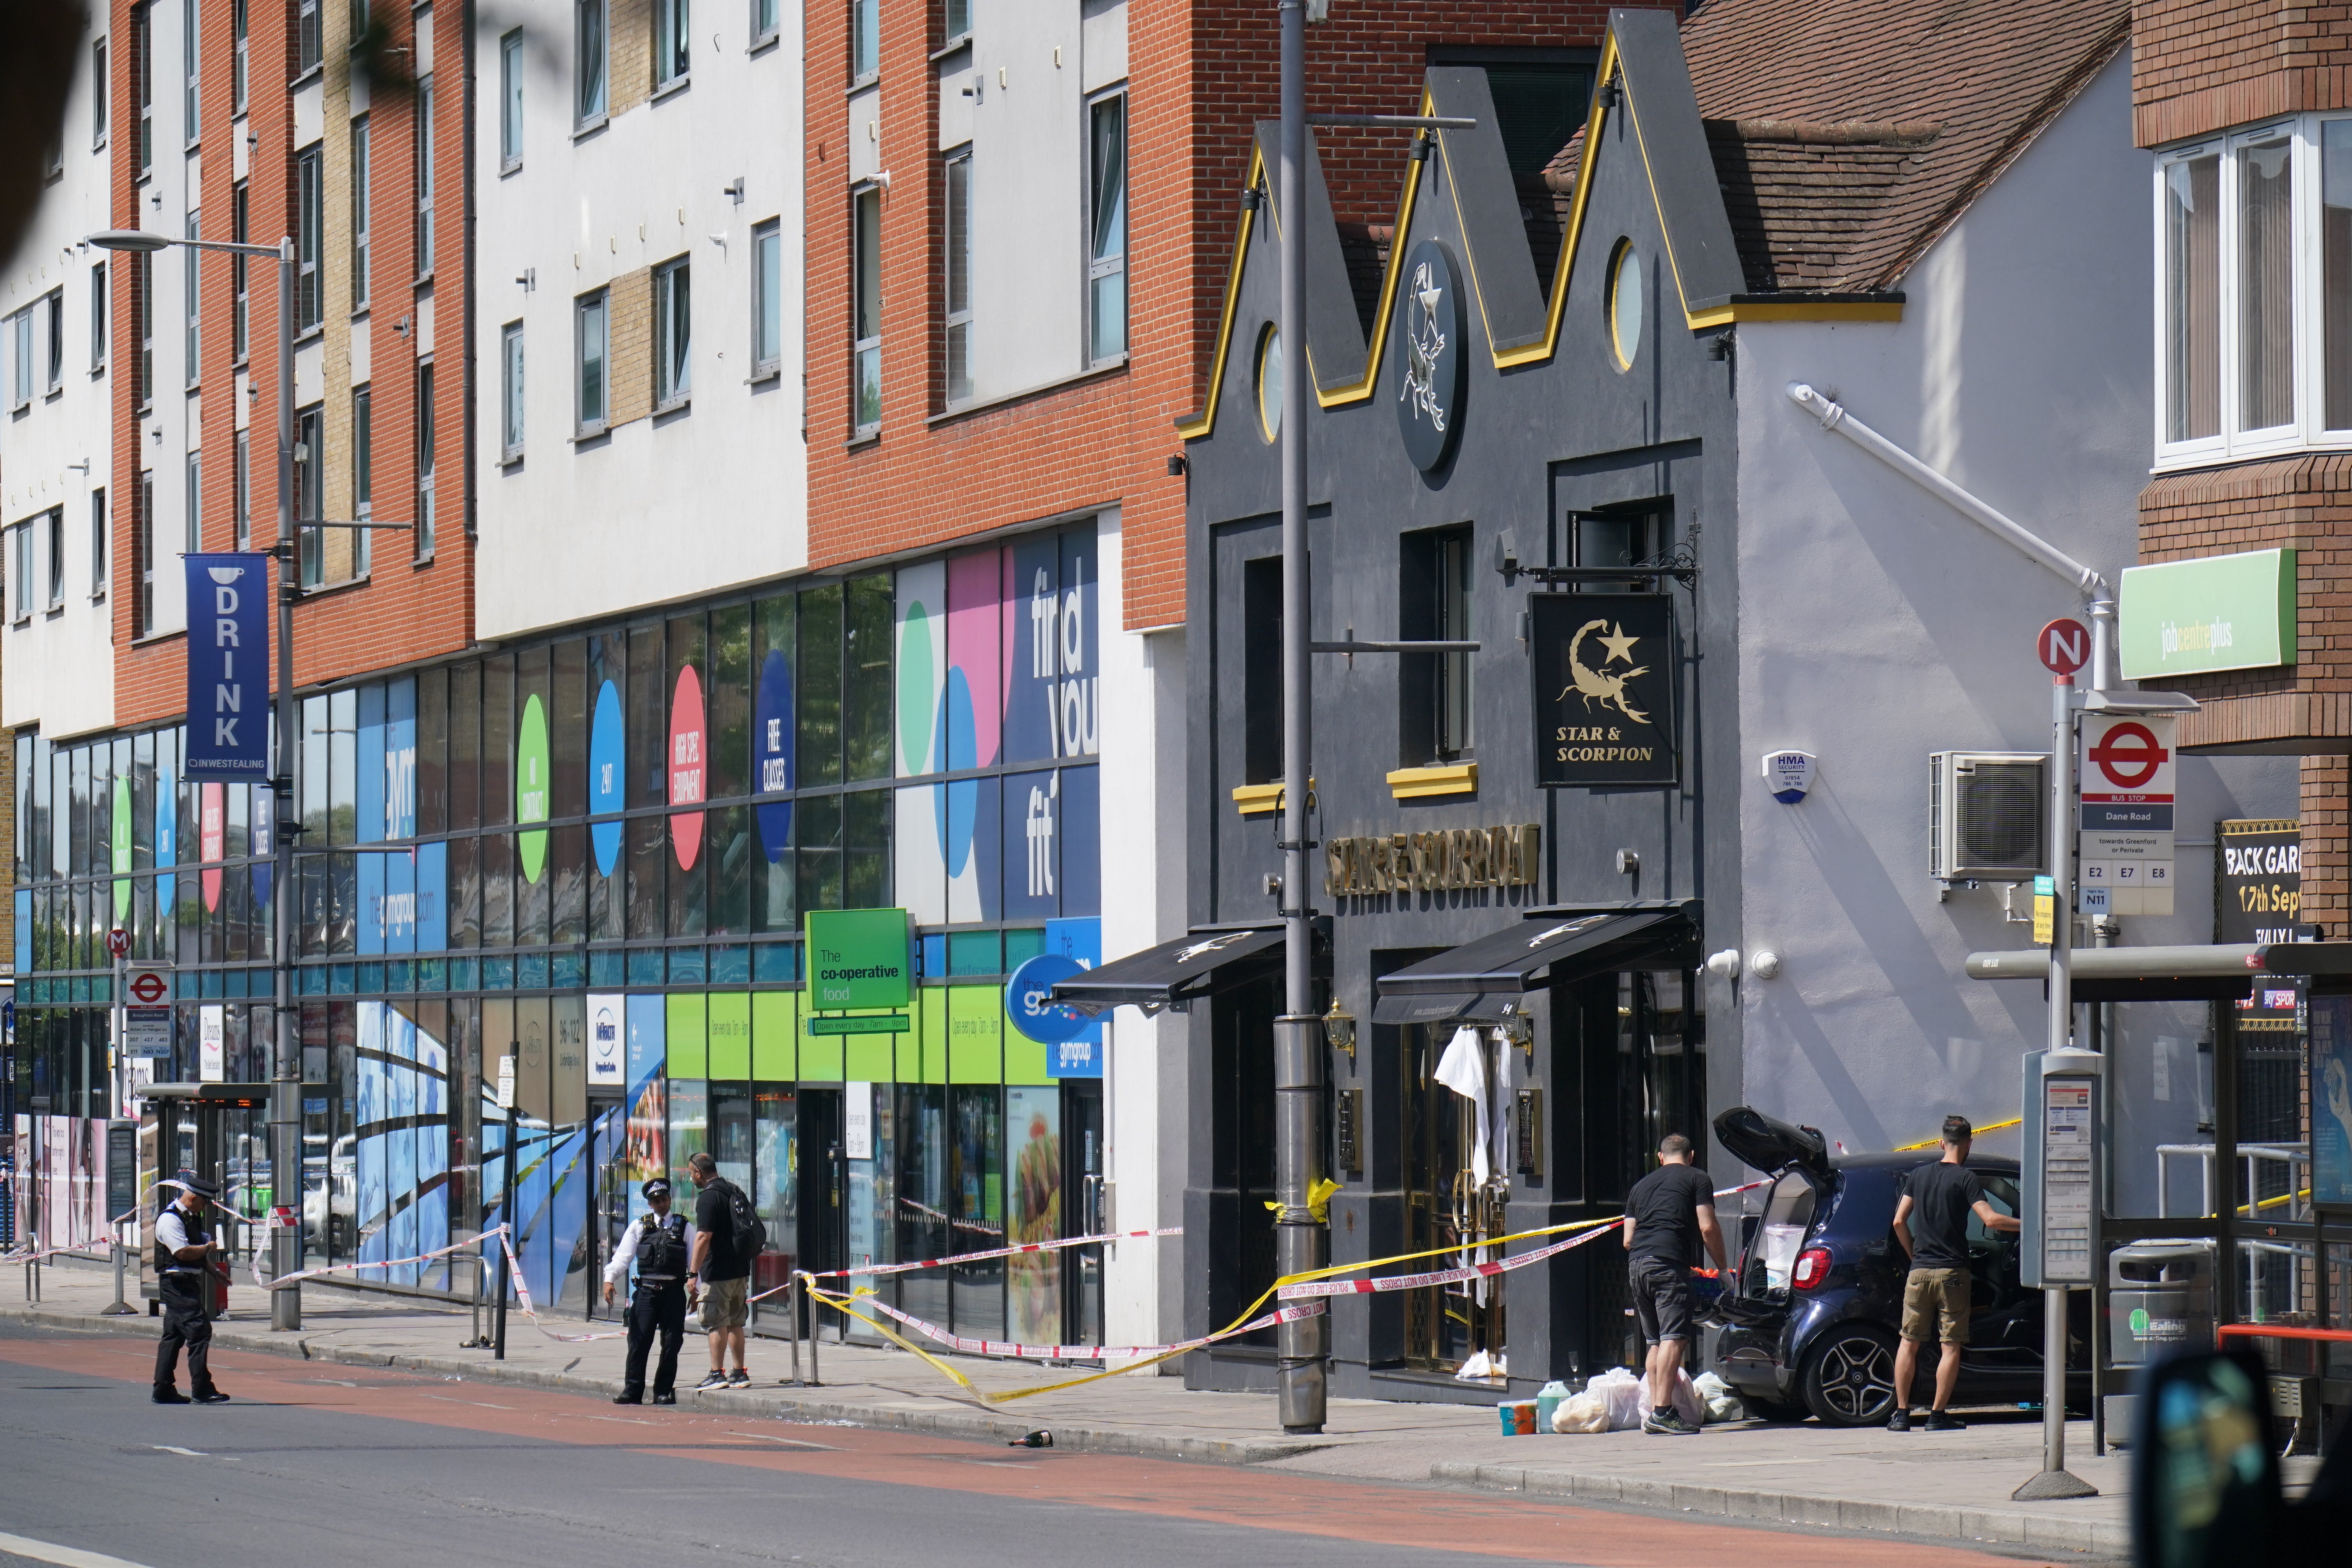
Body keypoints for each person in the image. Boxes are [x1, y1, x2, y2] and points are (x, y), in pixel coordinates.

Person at [1889, 1114, 2022, 1432]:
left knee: (1909, 1342)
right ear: (1969, 1144)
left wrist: (1914, 1256)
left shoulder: (1918, 1176)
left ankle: (1902, 1415)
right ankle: (1937, 1416)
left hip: (1920, 1271)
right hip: (1952, 1273)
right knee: (1950, 1345)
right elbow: (1990, 1220)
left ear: (1940, 1143)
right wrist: (2031, 1226)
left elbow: (1898, 1222)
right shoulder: (1966, 1178)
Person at [1620, 1133, 1729, 1436]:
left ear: (1660, 1157)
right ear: (1691, 1155)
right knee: (1675, 1338)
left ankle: (1656, 1412)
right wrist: (1722, 1270)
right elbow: (1707, 1226)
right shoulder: (1698, 1179)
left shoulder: (1639, 1187)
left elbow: (1628, 1239)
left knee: (1656, 1341)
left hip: (1637, 1266)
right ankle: (1663, 1412)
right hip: (1668, 1265)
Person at [604, 1178, 697, 1405]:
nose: (661, 1204)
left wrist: (697, 1292)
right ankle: (633, 1390)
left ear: (670, 1200)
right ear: (650, 1204)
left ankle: (662, 1391)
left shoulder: (685, 1227)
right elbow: (623, 1258)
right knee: (638, 1341)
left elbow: (696, 1262)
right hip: (646, 1293)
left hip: (673, 1293)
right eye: (656, 1201)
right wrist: (609, 1279)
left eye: (664, 1199)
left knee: (672, 1343)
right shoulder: (639, 1226)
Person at [152, 1173, 229, 1405]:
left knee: (173, 1338)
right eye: (204, 1202)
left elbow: (196, 1252)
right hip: (177, 1285)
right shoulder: (170, 1220)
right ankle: (202, 1389)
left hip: (186, 1283)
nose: (205, 1207)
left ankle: (163, 1390)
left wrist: (215, 1273)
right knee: (200, 1331)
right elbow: (183, 1253)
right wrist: (207, 1248)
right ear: (193, 1198)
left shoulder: (190, 1218)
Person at [686, 1151, 751, 1390]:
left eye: (691, 1173)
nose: (690, 1177)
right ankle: (739, 1373)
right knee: (736, 1322)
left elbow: (703, 1237)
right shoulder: (733, 1190)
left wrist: (693, 1273)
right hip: (740, 1269)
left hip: (718, 1271)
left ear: (698, 1172)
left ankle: (717, 1374)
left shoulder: (708, 1198)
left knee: (716, 1322)